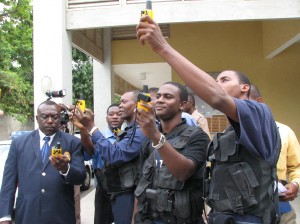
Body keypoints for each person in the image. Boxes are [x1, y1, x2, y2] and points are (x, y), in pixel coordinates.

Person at [137, 16, 280, 224]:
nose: (217, 83)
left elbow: (216, 97)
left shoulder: (260, 113)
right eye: (215, 80)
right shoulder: (230, 131)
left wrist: (162, 47)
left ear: (245, 87)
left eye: (224, 79)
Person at [0, 100, 86, 224]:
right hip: (28, 215)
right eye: (45, 117)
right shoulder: (19, 143)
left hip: (61, 216)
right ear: (37, 118)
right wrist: (5, 216)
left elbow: (81, 177)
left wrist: (65, 169)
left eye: (55, 117)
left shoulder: (72, 142)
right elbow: (9, 182)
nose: (50, 120)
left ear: (60, 118)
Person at [135, 82, 210, 223]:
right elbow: (141, 183)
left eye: (168, 97)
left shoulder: (197, 136)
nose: (160, 100)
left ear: (182, 105)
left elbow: (183, 173)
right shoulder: (148, 140)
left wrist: (155, 134)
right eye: (158, 96)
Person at [74, 90, 147, 224]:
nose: (120, 106)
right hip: (111, 191)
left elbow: (115, 155)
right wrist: (85, 129)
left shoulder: (140, 130)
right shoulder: (130, 131)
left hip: (128, 193)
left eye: (124, 102)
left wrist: (91, 127)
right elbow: (90, 152)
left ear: (137, 105)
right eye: (120, 102)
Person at [249, 84, 300, 224]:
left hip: (279, 205)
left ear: (259, 102)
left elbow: (297, 166)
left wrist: (295, 183)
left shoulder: (284, 131)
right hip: (242, 211)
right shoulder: (226, 137)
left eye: (244, 103)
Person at [73, 103, 123, 224]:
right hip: (103, 191)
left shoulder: (128, 137)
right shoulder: (97, 137)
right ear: (106, 118)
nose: (115, 117)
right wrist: (83, 130)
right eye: (111, 114)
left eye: (118, 114)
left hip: (124, 189)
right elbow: (88, 154)